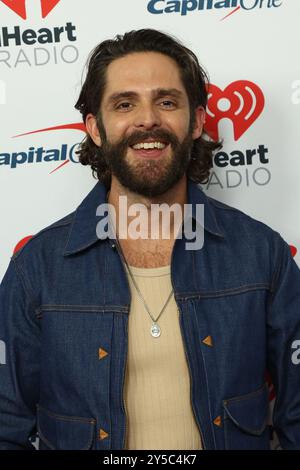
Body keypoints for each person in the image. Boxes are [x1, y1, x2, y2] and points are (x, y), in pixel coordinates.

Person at [0, 29, 300, 451]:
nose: (148, 120)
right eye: (125, 104)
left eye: (167, 101)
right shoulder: (37, 268)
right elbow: (6, 424)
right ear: (96, 129)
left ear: (196, 121)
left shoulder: (261, 253)